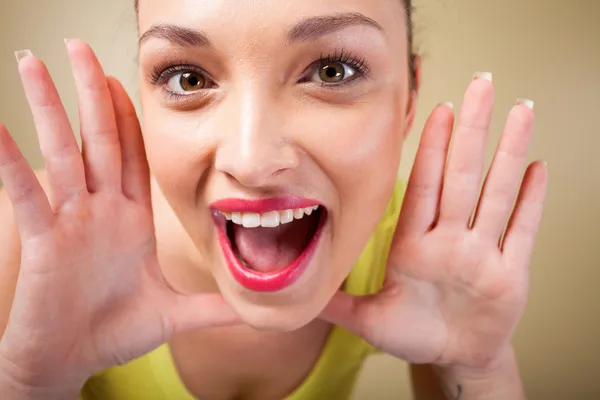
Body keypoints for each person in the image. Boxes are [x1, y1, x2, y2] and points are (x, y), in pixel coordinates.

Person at [0, 0, 548, 398]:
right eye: (188, 79)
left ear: (408, 100)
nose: (252, 159)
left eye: (333, 71)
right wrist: (30, 384)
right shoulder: (39, 247)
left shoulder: (420, 254)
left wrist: (477, 369)